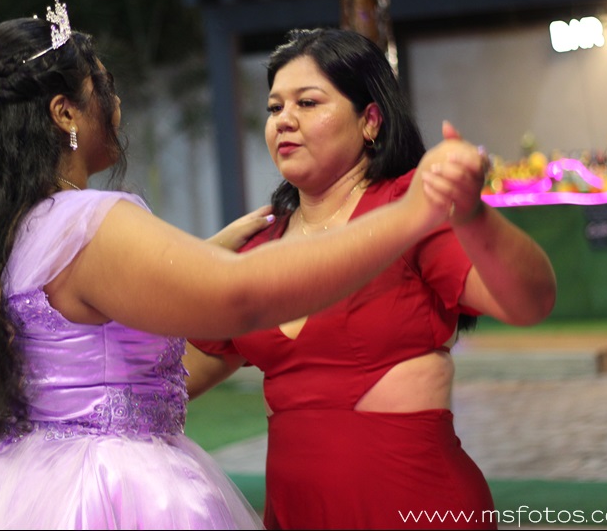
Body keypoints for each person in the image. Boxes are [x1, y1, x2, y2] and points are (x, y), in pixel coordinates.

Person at [0, 1, 485, 530]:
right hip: (106, 487)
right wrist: (408, 216)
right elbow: (241, 296)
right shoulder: (88, 221)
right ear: (65, 113)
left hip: (12, 485)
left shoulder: (9, 226)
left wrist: (203, 254)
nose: (116, 107)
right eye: (104, 88)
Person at [185, 28, 557, 530]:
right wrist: (203, 260)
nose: (284, 120)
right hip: (296, 515)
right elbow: (166, 385)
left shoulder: (410, 208)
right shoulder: (258, 247)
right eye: (275, 108)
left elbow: (530, 303)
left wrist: (471, 215)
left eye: (307, 102)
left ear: (370, 120)